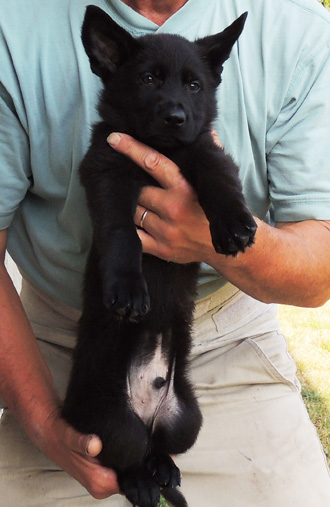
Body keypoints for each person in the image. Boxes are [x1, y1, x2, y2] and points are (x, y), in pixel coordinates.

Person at [1, 0, 330, 505]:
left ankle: (154, 458)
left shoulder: (298, 29)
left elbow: (318, 274)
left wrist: (223, 233)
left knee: (183, 427)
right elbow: (108, 196)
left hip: (224, 336)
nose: (175, 105)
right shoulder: (14, 26)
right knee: (115, 437)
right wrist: (45, 424)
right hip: (57, 344)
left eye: (192, 87)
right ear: (108, 64)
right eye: (154, 82)